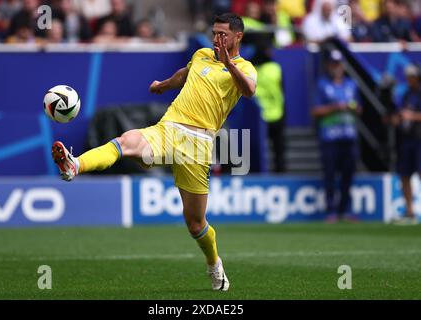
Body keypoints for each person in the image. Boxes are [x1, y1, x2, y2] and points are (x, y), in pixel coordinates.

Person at [51, 13, 257, 291]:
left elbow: (249, 91)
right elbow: (185, 75)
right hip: (169, 127)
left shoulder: (244, 67)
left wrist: (228, 64)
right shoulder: (201, 54)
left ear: (238, 37)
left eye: (223, 34)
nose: (217, 39)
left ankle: (213, 263)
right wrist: (163, 85)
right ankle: (75, 165)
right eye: (214, 33)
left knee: (196, 224)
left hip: (198, 144)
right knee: (126, 141)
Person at [311, 50, 361, 223]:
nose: (336, 68)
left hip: (349, 136)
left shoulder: (351, 84)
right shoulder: (322, 84)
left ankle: (345, 209)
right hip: (329, 137)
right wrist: (336, 107)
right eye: (333, 64)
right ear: (328, 66)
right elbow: (316, 111)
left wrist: (352, 107)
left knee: (348, 175)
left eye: (338, 64)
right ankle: (331, 210)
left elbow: (359, 109)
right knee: (330, 175)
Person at [390, 64, 421, 225]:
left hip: (419, 139)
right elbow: (401, 113)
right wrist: (398, 119)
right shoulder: (407, 94)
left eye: (412, 76)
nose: (409, 79)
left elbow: (411, 114)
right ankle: (409, 212)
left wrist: (412, 116)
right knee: (404, 175)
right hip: (406, 139)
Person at [252, 44, 286, 172]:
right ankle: (280, 172)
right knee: (278, 149)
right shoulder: (275, 68)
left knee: (261, 149)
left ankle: (262, 172)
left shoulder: (252, 70)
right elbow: (282, 91)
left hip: (261, 115)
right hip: (276, 114)